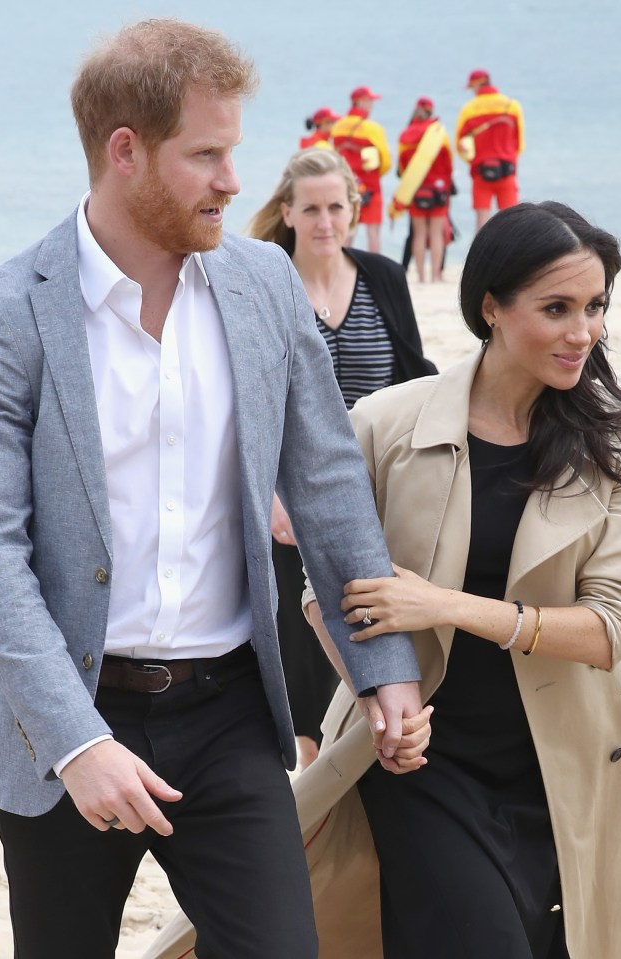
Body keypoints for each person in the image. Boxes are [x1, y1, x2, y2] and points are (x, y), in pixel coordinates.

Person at [0, 19, 433, 959]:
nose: (235, 181)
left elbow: (325, 478)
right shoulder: (2, 318)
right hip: (63, 725)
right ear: (126, 151)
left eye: (233, 151)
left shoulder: (263, 282)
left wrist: (385, 663)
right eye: (208, 154)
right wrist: (77, 742)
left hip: (231, 714)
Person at [288, 201, 621, 958]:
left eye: (596, 306)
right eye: (557, 308)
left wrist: (445, 605)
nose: (584, 332)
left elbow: (610, 628)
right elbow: (325, 591)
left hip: (574, 762)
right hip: (422, 757)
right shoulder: (384, 423)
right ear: (491, 308)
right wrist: (378, 696)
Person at [248, 147, 438, 768]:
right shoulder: (268, 283)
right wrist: (274, 491)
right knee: (298, 608)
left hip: (377, 475)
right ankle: (305, 749)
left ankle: (371, 731)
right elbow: (251, 396)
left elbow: (416, 375)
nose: (325, 221)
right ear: (288, 213)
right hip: (288, 482)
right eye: (311, 209)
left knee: (374, 605)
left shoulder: (382, 276)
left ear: (354, 211)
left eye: (336, 207)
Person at [389, 96, 453, 282]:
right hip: (438, 188)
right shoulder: (438, 132)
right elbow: (448, 163)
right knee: (436, 233)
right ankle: (435, 275)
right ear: (431, 112)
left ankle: (421, 276)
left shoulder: (405, 135)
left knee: (419, 233)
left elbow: (401, 167)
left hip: (415, 189)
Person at [456, 69, 525, 233]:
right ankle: (511, 255)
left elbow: (460, 145)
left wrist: (472, 160)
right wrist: (509, 156)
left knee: (482, 219)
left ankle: (481, 255)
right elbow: (519, 143)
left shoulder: (469, 109)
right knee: (511, 218)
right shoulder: (511, 105)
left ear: (477, 84)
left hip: (481, 170)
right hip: (506, 169)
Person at [331, 85, 392, 253]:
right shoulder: (373, 128)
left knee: (347, 230)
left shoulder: (337, 126)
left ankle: (341, 267)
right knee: (373, 233)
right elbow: (385, 161)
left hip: (346, 184)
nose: (372, 104)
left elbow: (332, 156)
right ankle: (374, 272)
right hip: (371, 185)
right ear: (359, 102)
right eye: (369, 101)